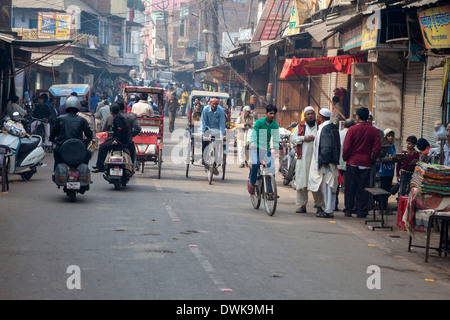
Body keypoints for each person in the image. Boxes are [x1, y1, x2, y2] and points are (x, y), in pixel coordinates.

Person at [342, 107, 381, 218]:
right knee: (363, 188)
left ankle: (349, 209)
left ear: (357, 117)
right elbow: (377, 148)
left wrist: (346, 158)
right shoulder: (373, 130)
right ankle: (361, 210)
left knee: (350, 186)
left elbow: (346, 148)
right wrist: (372, 159)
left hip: (352, 162)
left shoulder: (352, 129)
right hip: (366, 163)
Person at [289, 106, 324, 214]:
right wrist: (304, 138)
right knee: (301, 182)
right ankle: (302, 205)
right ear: (305, 115)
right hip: (302, 159)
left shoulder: (320, 126)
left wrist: (315, 139)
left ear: (315, 115)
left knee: (316, 183)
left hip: (316, 160)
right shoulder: (300, 126)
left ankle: (319, 206)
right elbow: (292, 138)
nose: (310, 116)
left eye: (312, 114)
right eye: (308, 114)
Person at [308, 108, 340, 218]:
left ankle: (329, 210)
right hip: (330, 161)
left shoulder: (325, 128)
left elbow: (326, 147)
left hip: (327, 163)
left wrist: (324, 161)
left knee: (328, 187)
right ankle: (328, 208)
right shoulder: (331, 127)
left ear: (321, 118)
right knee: (329, 186)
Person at [50, 96, 93, 170]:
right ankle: (84, 169)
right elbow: (89, 134)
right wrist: (87, 140)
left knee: (56, 151)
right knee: (88, 153)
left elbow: (53, 132)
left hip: (63, 147)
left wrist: (52, 138)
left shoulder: (60, 118)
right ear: (77, 107)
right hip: (78, 148)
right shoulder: (82, 120)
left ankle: (56, 170)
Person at [247, 104, 279, 195]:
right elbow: (254, 134)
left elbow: (276, 138)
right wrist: (252, 143)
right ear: (266, 113)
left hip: (266, 149)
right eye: (270, 113)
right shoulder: (259, 122)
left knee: (271, 168)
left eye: (274, 114)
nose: (272, 115)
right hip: (255, 148)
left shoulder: (275, 125)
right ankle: (252, 183)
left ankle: (269, 191)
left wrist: (276, 147)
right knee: (256, 163)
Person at [200, 97, 226, 175]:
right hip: (207, 128)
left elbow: (222, 123)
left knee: (217, 146)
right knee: (205, 142)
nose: (214, 105)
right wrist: (202, 132)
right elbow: (203, 121)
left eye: (216, 104)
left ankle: (214, 165)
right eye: (213, 104)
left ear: (218, 104)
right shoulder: (205, 109)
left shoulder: (220, 111)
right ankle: (204, 159)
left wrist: (222, 135)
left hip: (217, 129)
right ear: (210, 103)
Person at [336, 119, 355, 211]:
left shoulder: (339, 134)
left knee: (336, 185)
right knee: (349, 186)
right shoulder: (354, 134)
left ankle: (334, 204)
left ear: (344, 125)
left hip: (338, 163)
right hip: (349, 163)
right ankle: (349, 206)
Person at [378, 129, 396, 212]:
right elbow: (380, 159)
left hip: (391, 171)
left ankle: (385, 206)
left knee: (388, 190)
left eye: (392, 136)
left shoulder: (393, 146)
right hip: (384, 172)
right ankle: (381, 207)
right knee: (383, 190)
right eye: (389, 136)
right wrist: (390, 158)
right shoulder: (384, 147)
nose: (391, 138)